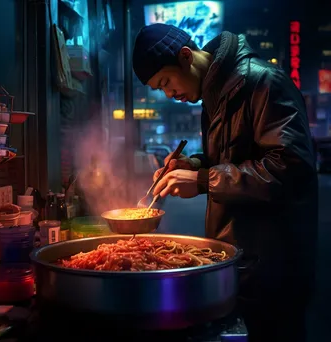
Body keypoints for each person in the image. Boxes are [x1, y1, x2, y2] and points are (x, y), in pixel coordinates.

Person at [132, 24, 318, 342]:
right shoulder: (215, 93)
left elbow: (290, 170)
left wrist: (204, 180)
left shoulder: (263, 82)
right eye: (159, 90)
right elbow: (237, 156)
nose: (169, 95)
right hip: (243, 262)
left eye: (165, 83)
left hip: (273, 269)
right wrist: (194, 163)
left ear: (186, 57)